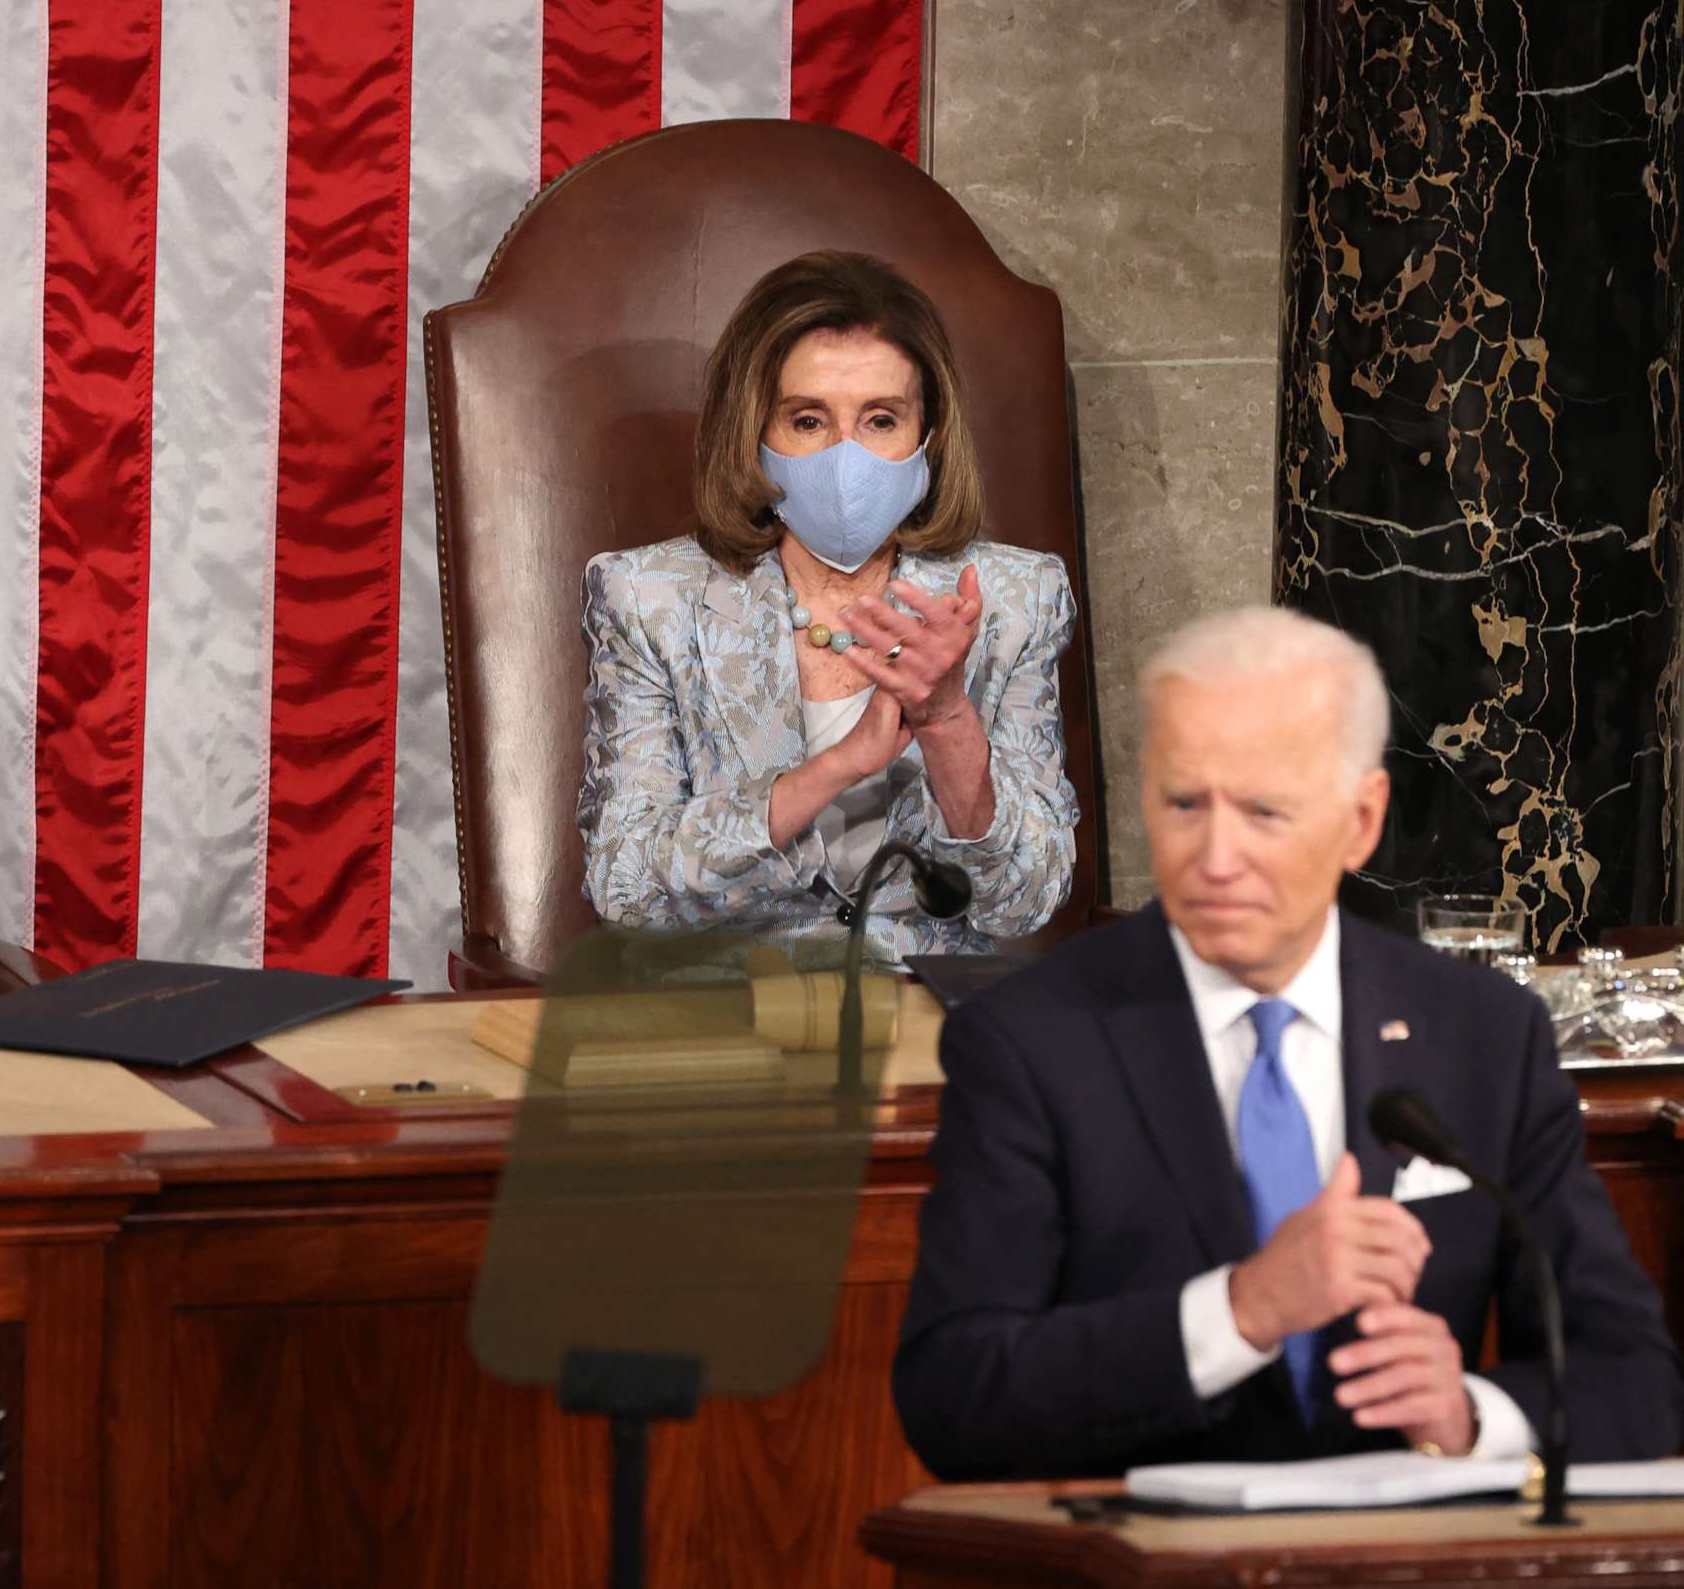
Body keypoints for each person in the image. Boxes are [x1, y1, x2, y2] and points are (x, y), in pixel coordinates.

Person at [895, 606, 1683, 1478]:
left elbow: (1637, 1379)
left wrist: (1469, 1414)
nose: (1217, 855)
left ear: (1362, 819)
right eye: (1185, 802)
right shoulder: (1030, 1041)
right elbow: (953, 1396)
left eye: (1266, 810)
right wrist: (1239, 1312)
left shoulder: (1483, 1036)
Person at [579, 250, 1078, 960]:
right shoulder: (650, 600)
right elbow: (625, 885)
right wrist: (837, 766)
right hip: (731, 1025)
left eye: (880, 419)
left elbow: (1026, 898)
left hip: (932, 1026)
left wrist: (946, 721)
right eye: (808, 421)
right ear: (754, 435)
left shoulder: (1014, 602)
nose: (848, 459)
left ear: (928, 437)